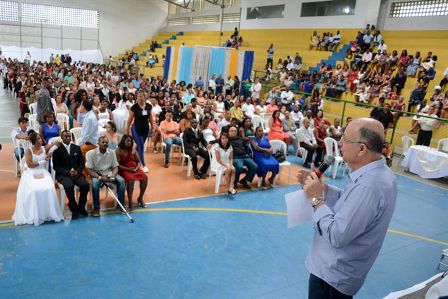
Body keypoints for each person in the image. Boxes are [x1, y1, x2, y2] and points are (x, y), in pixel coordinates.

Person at [298, 118, 397, 298]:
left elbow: (337, 235)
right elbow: (350, 201)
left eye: (345, 139)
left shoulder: (369, 186)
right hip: (335, 271)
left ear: (362, 149)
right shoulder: (378, 174)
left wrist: (316, 199)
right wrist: (323, 189)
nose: (340, 143)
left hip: (332, 276)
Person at [13, 132, 64, 226]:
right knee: (35, 190)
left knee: (49, 188)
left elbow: (58, 143)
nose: (40, 140)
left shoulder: (45, 148)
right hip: (31, 172)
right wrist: (43, 161)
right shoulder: (29, 150)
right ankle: (35, 215)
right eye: (38, 139)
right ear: (34, 141)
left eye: (40, 138)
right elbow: (29, 165)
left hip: (43, 172)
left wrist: (53, 148)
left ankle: (48, 214)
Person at [52, 130, 89, 219]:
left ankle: (81, 207)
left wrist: (78, 171)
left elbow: (81, 163)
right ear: (62, 137)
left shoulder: (76, 148)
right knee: (69, 186)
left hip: (77, 173)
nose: (68, 138)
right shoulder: (57, 150)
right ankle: (74, 208)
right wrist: (68, 172)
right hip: (64, 175)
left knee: (85, 185)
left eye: (69, 136)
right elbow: (56, 166)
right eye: (65, 136)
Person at [86, 136, 126, 217]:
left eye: (106, 142)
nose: (105, 144)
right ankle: (96, 208)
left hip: (109, 173)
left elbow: (115, 167)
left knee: (121, 181)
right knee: (95, 185)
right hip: (97, 174)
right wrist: (100, 177)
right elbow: (89, 170)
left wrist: (112, 175)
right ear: (98, 143)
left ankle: (120, 205)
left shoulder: (112, 152)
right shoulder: (91, 154)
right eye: (103, 142)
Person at [116, 135, 147, 211]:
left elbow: (139, 161)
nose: (129, 143)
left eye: (130, 141)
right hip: (124, 170)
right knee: (131, 180)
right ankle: (130, 202)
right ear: (123, 141)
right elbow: (117, 164)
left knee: (145, 177)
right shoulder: (118, 150)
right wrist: (128, 169)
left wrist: (137, 168)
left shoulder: (133, 150)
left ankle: (140, 198)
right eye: (127, 141)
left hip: (134, 169)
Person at [126, 91, 153, 173]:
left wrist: (153, 126)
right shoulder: (134, 107)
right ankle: (143, 164)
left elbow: (150, 118)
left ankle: (132, 158)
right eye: (138, 96)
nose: (139, 98)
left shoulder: (149, 106)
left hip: (145, 129)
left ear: (145, 97)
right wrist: (127, 130)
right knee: (140, 146)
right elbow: (129, 120)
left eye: (141, 96)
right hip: (136, 129)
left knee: (138, 147)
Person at [228, 125, 258, 189]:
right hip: (235, 157)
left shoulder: (240, 139)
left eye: (235, 131)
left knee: (255, 167)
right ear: (229, 132)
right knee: (239, 167)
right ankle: (234, 181)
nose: (233, 132)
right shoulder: (227, 139)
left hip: (244, 156)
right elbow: (217, 141)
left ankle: (245, 180)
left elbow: (246, 147)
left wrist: (247, 154)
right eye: (232, 131)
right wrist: (210, 143)